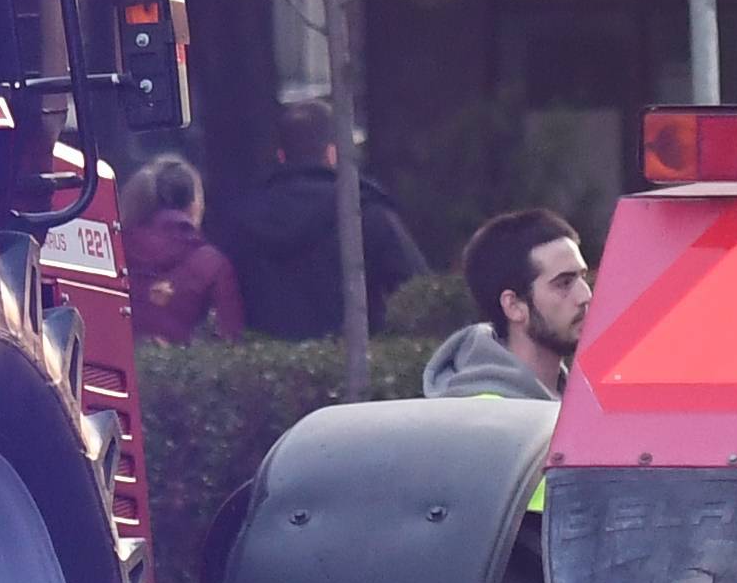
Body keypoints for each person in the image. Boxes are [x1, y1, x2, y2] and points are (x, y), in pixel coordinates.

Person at [216, 106, 425, 349]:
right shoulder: (366, 213)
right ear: (332, 153)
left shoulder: (243, 221)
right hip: (350, 369)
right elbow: (418, 290)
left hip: (266, 372)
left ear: (281, 156)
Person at [424, 209, 591, 402]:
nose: (586, 295)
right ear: (513, 306)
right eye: (564, 283)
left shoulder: (580, 401)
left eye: (582, 277)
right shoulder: (483, 418)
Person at [118, 153, 244, 346]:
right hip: (183, 375)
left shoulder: (114, 250)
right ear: (193, 203)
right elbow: (228, 339)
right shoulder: (211, 264)